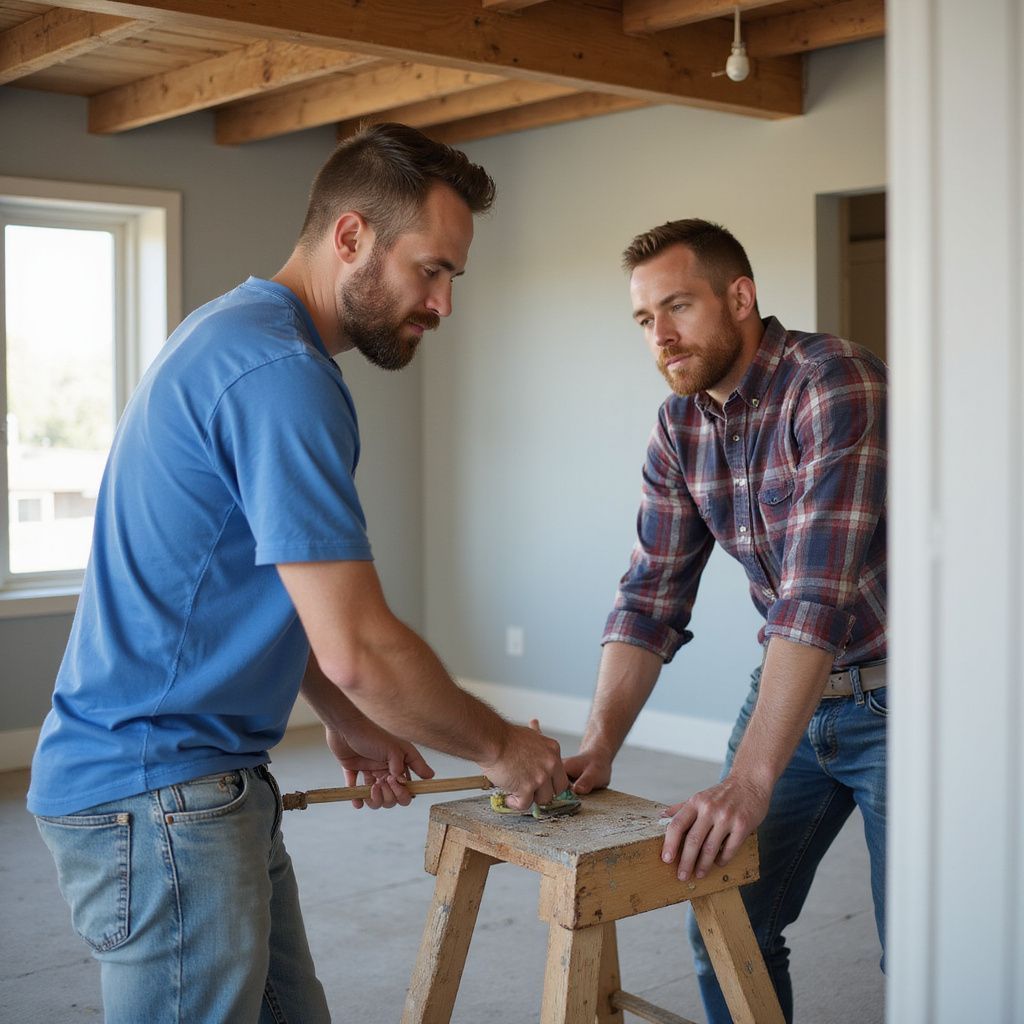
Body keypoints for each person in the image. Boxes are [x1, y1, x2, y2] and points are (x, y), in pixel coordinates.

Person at [27, 123, 568, 1024]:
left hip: (195, 785)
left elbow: (269, 587)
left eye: (451, 279)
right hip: (162, 795)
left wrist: (344, 720)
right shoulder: (283, 373)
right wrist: (502, 747)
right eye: (429, 270)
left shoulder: (233, 335)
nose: (441, 305)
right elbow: (357, 642)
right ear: (350, 237)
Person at [564, 219, 886, 1023]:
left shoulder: (830, 380)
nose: (661, 337)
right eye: (644, 320)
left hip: (903, 698)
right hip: (796, 696)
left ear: (739, 297)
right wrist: (600, 744)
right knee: (728, 924)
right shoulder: (679, 428)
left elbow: (815, 596)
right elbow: (649, 599)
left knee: (925, 953)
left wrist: (748, 780)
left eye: (676, 307)